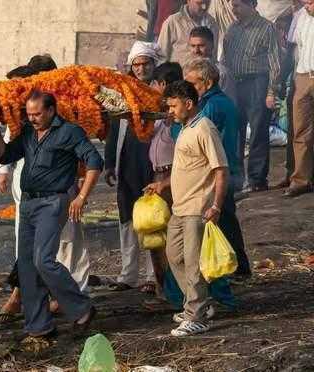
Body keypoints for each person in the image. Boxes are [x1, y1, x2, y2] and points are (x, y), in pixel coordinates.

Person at [0, 90, 102, 344]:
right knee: (27, 266)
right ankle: (39, 326)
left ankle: (82, 308)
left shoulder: (69, 132)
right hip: (28, 203)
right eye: (29, 115)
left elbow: (94, 161)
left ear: (52, 110)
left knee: (43, 260)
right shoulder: (28, 132)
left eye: (38, 114)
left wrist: (81, 197)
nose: (33, 119)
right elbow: (6, 155)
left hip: (53, 202)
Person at [163, 80, 229, 337]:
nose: (170, 111)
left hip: (198, 207)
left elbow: (220, 170)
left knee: (193, 263)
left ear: (188, 104)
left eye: (173, 106)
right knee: (175, 257)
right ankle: (200, 303)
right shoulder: (184, 129)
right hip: (179, 207)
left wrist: (216, 205)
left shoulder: (204, 128)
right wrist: (162, 185)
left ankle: (196, 316)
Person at [184, 58, 251, 280]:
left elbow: (199, 137)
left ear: (208, 82)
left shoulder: (211, 106)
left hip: (218, 169)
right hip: (227, 166)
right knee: (227, 217)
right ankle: (239, 267)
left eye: (193, 84)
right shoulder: (221, 102)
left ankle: (231, 268)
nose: (189, 90)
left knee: (220, 218)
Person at [103, 41, 158, 293]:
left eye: (145, 63)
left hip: (151, 162)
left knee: (152, 218)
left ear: (153, 64)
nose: (141, 68)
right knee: (126, 218)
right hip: (126, 163)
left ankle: (152, 274)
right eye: (136, 64)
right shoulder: (121, 92)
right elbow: (113, 130)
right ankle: (128, 274)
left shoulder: (160, 92)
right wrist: (109, 164)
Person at [223, 0, 281, 193]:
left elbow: (275, 63)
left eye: (238, 5)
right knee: (235, 131)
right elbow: (225, 59)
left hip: (257, 83)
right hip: (235, 84)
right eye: (233, 6)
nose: (234, 10)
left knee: (258, 131)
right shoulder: (232, 28)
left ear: (251, 5)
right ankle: (237, 179)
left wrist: (271, 91)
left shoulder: (267, 28)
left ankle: (257, 179)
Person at [145, 62, 183, 303]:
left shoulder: (179, 120)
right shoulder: (161, 115)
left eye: (155, 85)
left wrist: (165, 183)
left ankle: (175, 292)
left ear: (164, 85)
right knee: (154, 236)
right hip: (156, 177)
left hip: (171, 179)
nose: (152, 89)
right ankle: (163, 288)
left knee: (171, 239)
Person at [284, 0, 314, 197]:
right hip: (303, 76)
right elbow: (293, 48)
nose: (308, 3)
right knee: (300, 130)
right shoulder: (300, 16)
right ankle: (301, 180)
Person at [188, 26, 236, 101]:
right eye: (193, 46)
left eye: (201, 46)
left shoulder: (222, 73)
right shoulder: (187, 72)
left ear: (212, 45)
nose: (196, 50)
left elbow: (229, 104)